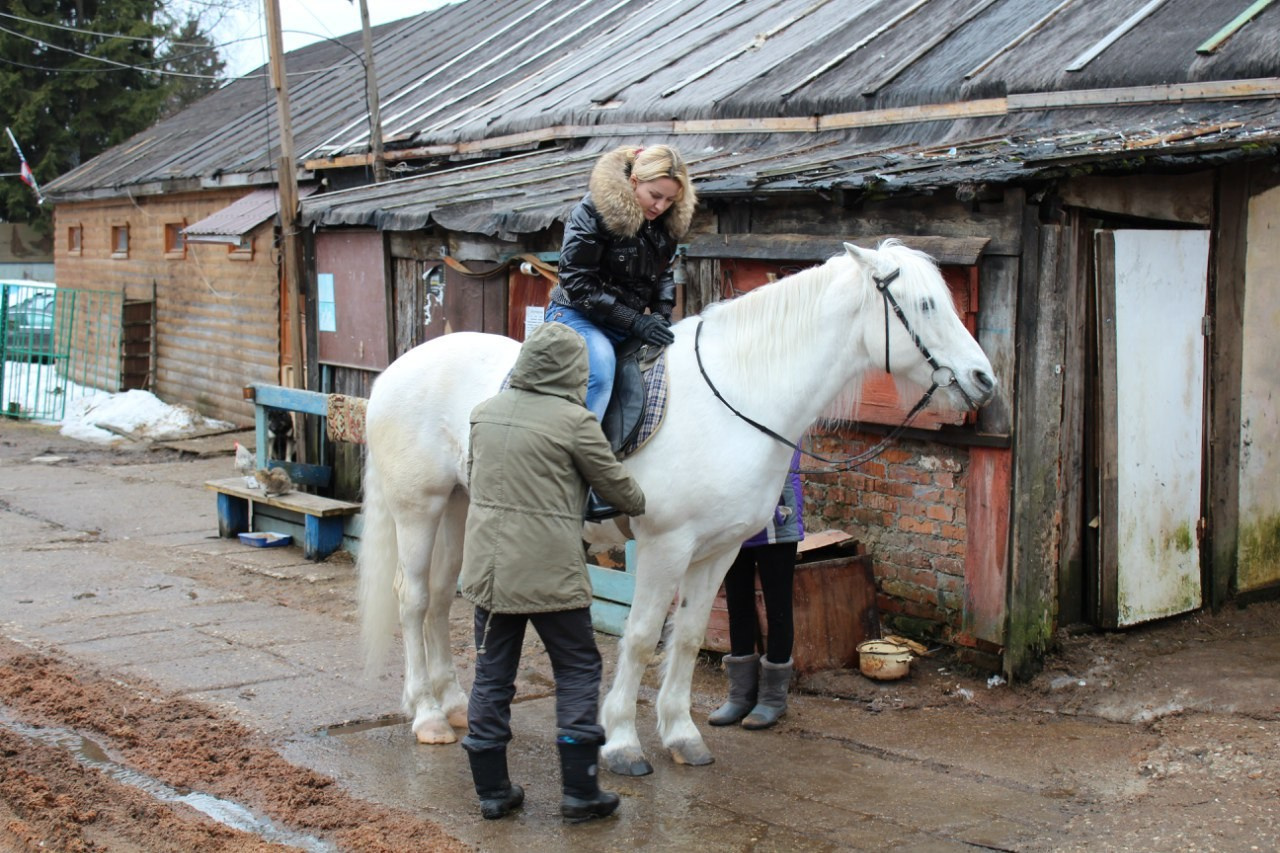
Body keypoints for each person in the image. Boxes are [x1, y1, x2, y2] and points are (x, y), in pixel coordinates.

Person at [458, 321, 646, 823]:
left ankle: (493, 792)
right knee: (578, 670)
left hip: (490, 575)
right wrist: (641, 498)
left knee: (493, 676)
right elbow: (618, 489)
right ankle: (580, 794)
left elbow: (475, 478)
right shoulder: (575, 422)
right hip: (551, 575)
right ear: (572, 371)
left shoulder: (484, 414)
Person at [546, 144, 698, 423]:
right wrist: (635, 321)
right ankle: (575, 457)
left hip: (624, 321)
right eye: (655, 196)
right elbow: (577, 282)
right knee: (601, 372)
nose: (660, 206)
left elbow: (662, 272)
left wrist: (663, 315)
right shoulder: (592, 212)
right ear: (633, 181)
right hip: (577, 314)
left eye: (669, 200)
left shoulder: (664, 221)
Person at [708, 452, 804, 730]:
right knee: (738, 603)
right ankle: (740, 696)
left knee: (778, 607)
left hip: (777, 513)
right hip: (735, 515)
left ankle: (773, 699)